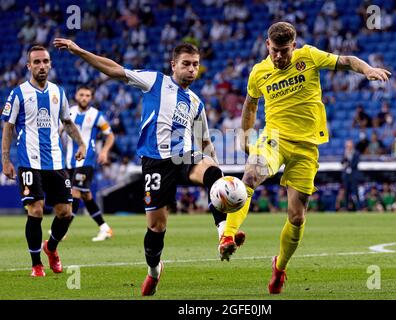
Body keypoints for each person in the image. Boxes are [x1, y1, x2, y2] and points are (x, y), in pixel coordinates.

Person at [53, 38, 245, 296]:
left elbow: (205, 141)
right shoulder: (155, 81)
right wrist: (79, 50)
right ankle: (154, 270)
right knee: (156, 227)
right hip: (155, 162)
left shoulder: (196, 103)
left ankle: (224, 235)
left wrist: (218, 175)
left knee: (212, 172)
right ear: (173, 65)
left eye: (195, 65)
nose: (191, 69)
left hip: (183, 156)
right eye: (186, 64)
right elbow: (114, 69)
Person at [219, 21, 390, 294]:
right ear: (267, 46)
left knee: (297, 218)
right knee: (250, 175)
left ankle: (280, 267)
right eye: (274, 50)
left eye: (284, 51)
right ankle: (227, 235)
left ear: (293, 47)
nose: (278, 56)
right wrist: (245, 136)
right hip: (274, 138)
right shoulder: (258, 72)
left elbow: (347, 60)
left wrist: (367, 69)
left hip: (307, 146)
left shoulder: (308, 56)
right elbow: (250, 105)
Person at [1, 45, 86, 277]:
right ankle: (36, 264)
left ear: (50, 64)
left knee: (66, 213)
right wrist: (6, 160)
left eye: (45, 61)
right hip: (29, 163)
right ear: (28, 66)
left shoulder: (58, 92)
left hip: (56, 164)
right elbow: (8, 127)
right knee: (36, 211)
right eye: (36, 62)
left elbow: (67, 122)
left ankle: (51, 248)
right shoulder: (18, 93)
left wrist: (81, 143)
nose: (41, 66)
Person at [64, 85, 115, 241]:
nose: (84, 98)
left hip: (87, 159)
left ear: (91, 98)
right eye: (82, 95)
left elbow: (110, 135)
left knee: (75, 192)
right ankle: (105, 228)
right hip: (69, 161)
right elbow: (59, 130)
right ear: (76, 96)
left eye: (87, 95)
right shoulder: (69, 112)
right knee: (86, 195)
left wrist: (105, 151)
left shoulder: (96, 115)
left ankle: (61, 231)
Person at [341, 140, 360, 211]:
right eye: (347, 146)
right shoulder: (345, 153)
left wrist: (348, 163)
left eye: (349, 146)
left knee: (355, 192)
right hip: (346, 176)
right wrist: (345, 157)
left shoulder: (356, 153)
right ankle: (346, 208)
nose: (348, 147)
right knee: (346, 192)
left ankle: (358, 208)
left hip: (353, 175)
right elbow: (342, 162)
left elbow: (355, 164)